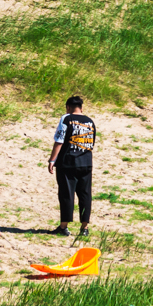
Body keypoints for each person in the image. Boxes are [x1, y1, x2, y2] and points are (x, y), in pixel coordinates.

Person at [48, 94, 97, 237]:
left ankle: (64, 227)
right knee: (85, 194)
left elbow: (59, 139)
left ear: (68, 107)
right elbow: (91, 143)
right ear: (81, 107)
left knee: (66, 194)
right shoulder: (90, 121)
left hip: (68, 162)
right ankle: (84, 228)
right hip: (86, 162)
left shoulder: (66, 118)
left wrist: (52, 160)